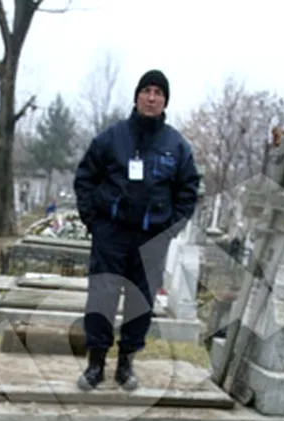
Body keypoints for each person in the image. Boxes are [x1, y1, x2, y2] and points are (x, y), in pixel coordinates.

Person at [72, 69, 201, 391]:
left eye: (158, 92)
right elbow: (86, 177)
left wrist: (170, 229)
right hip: (111, 234)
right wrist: (94, 220)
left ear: (165, 101)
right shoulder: (111, 138)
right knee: (102, 297)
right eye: (147, 90)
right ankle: (95, 364)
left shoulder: (177, 145)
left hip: (151, 238)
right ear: (137, 96)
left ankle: (126, 364)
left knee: (140, 301)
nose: (152, 97)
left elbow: (188, 191)